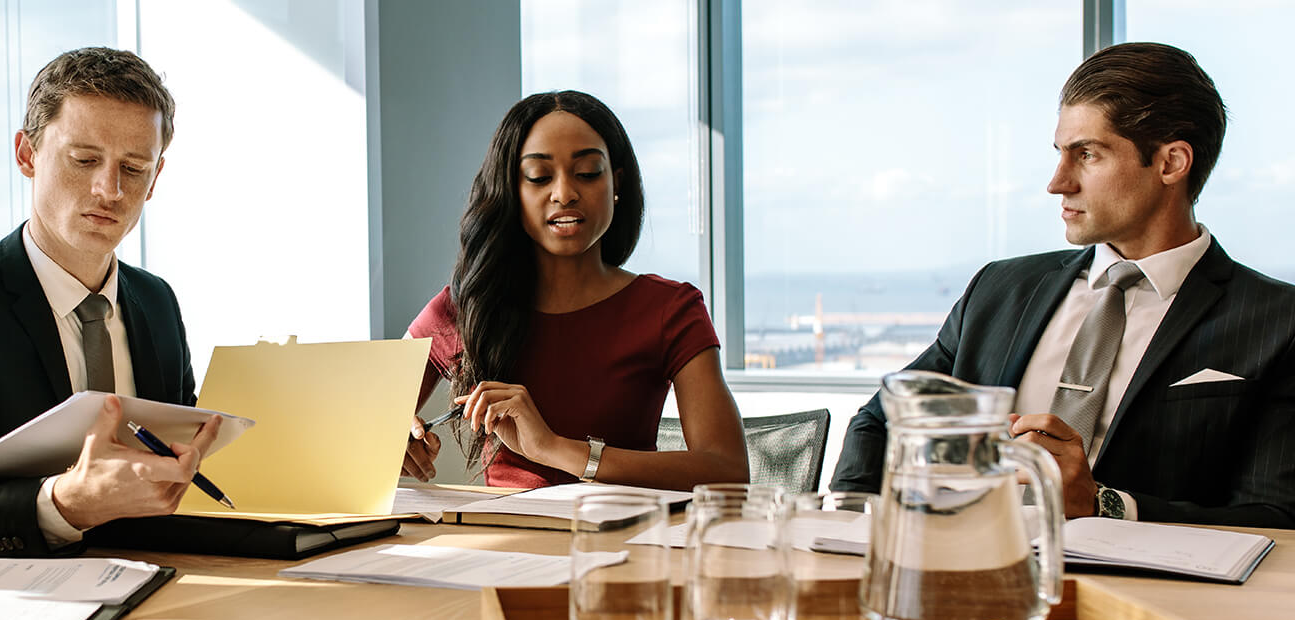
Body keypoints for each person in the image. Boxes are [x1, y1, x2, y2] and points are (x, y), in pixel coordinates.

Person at [831, 43, 1295, 528]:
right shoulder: (1000, 289)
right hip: (967, 579)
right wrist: (851, 537)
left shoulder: (1279, 321)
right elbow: (880, 422)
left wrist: (1103, 504)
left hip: (1142, 598)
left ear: (1171, 163)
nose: (1057, 182)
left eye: (1087, 155)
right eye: (1060, 154)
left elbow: (1277, 516)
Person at [0, 47, 221, 558]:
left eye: (133, 167)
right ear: (26, 153)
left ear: (154, 179)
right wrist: (66, 504)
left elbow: (183, 459)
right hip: (17, 604)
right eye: (84, 160)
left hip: (159, 576)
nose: (109, 189)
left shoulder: (156, 301)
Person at [401, 90, 747, 490]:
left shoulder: (671, 309)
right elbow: (364, 427)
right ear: (512, 190)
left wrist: (553, 448)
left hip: (626, 541)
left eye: (586, 173)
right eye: (539, 177)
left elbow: (728, 470)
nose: (564, 193)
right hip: (502, 544)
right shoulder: (468, 306)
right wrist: (389, 438)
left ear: (616, 183)